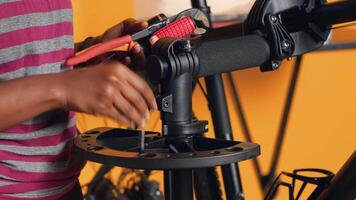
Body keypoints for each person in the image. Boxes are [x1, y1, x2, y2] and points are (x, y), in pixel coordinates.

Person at [0, 0, 157, 199]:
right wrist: (62, 87)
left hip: (64, 185)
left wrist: (92, 54)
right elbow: (56, 85)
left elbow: (23, 60)